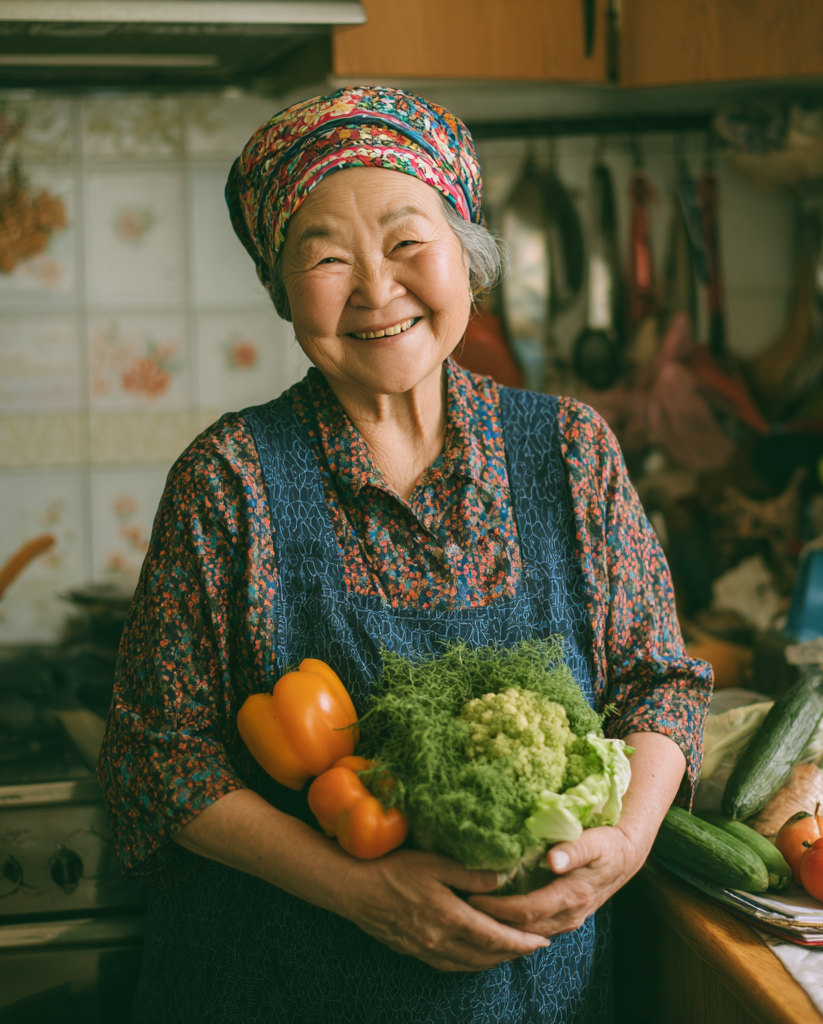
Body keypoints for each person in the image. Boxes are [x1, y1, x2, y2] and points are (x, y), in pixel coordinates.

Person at [98, 86, 712, 1024]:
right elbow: (157, 761)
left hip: (537, 994)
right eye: (326, 257)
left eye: (407, 241)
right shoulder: (229, 481)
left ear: (468, 254)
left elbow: (659, 686)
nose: (377, 289)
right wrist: (361, 892)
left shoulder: (573, 452)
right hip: (276, 984)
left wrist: (624, 845)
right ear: (280, 289)